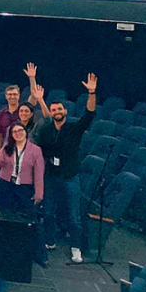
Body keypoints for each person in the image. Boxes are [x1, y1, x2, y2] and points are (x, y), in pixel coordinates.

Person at [32, 73, 97, 264]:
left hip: (70, 176)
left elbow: (89, 115)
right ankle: (50, 240)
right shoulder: (46, 130)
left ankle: (76, 247)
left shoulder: (74, 128)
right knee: (48, 212)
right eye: (53, 110)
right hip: (51, 176)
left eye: (59, 109)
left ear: (65, 111)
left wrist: (91, 93)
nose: (56, 112)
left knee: (73, 215)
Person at [0, 123, 47, 267]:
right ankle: (5, 250)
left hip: (24, 188)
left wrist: (39, 193)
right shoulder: (7, 147)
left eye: (20, 130)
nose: (18, 133)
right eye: (14, 132)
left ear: (25, 132)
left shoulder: (35, 150)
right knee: (5, 217)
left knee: (31, 220)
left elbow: (39, 173)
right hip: (6, 186)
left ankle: (40, 255)